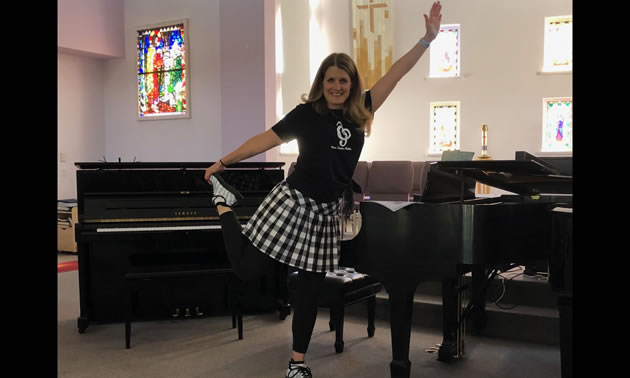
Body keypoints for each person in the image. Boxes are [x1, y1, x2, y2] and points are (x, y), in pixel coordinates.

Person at [205, 3, 442, 377]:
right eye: (330, 80)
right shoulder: (306, 114)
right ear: (322, 83)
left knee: (310, 291)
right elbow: (262, 139)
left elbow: (394, 75)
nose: (336, 86)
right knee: (247, 269)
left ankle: (297, 365)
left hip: (326, 213)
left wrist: (426, 41)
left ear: (352, 84)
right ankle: (223, 205)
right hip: (291, 204)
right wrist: (225, 161)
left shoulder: (362, 110)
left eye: (343, 81)